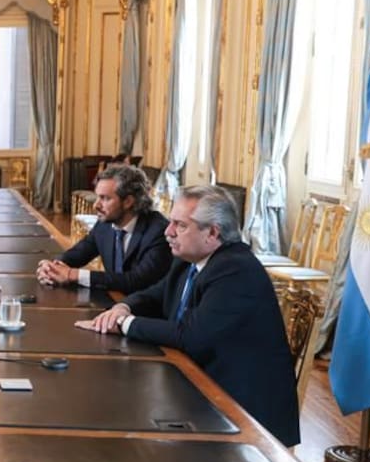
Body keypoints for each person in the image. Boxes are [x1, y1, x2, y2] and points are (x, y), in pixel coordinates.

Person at [78, 185, 300, 446]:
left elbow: (190, 335)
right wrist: (123, 307)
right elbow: (155, 294)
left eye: (180, 225)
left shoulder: (235, 270)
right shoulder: (189, 259)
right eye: (171, 222)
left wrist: (125, 323)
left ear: (213, 233)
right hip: (198, 387)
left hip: (242, 412)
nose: (168, 232)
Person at [37, 165, 170, 293]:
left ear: (128, 202)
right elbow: (80, 252)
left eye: (105, 198)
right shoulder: (105, 224)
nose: (96, 205)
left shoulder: (158, 231)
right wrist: (53, 267)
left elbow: (136, 280)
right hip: (112, 303)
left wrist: (73, 274)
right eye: (97, 197)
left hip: (145, 311)